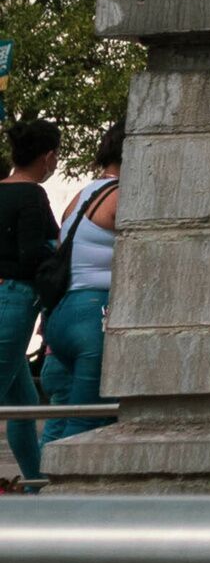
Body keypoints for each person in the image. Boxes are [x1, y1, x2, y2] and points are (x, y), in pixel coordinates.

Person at [40, 123, 120, 458]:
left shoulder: (82, 194)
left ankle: (36, 490)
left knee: (62, 422)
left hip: (63, 316)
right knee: (87, 425)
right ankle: (58, 506)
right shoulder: (123, 194)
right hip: (94, 316)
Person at [0, 121, 64, 492]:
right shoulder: (33, 196)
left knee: (22, 401)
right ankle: (40, 488)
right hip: (15, 297)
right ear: (48, 157)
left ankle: (38, 485)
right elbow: (33, 253)